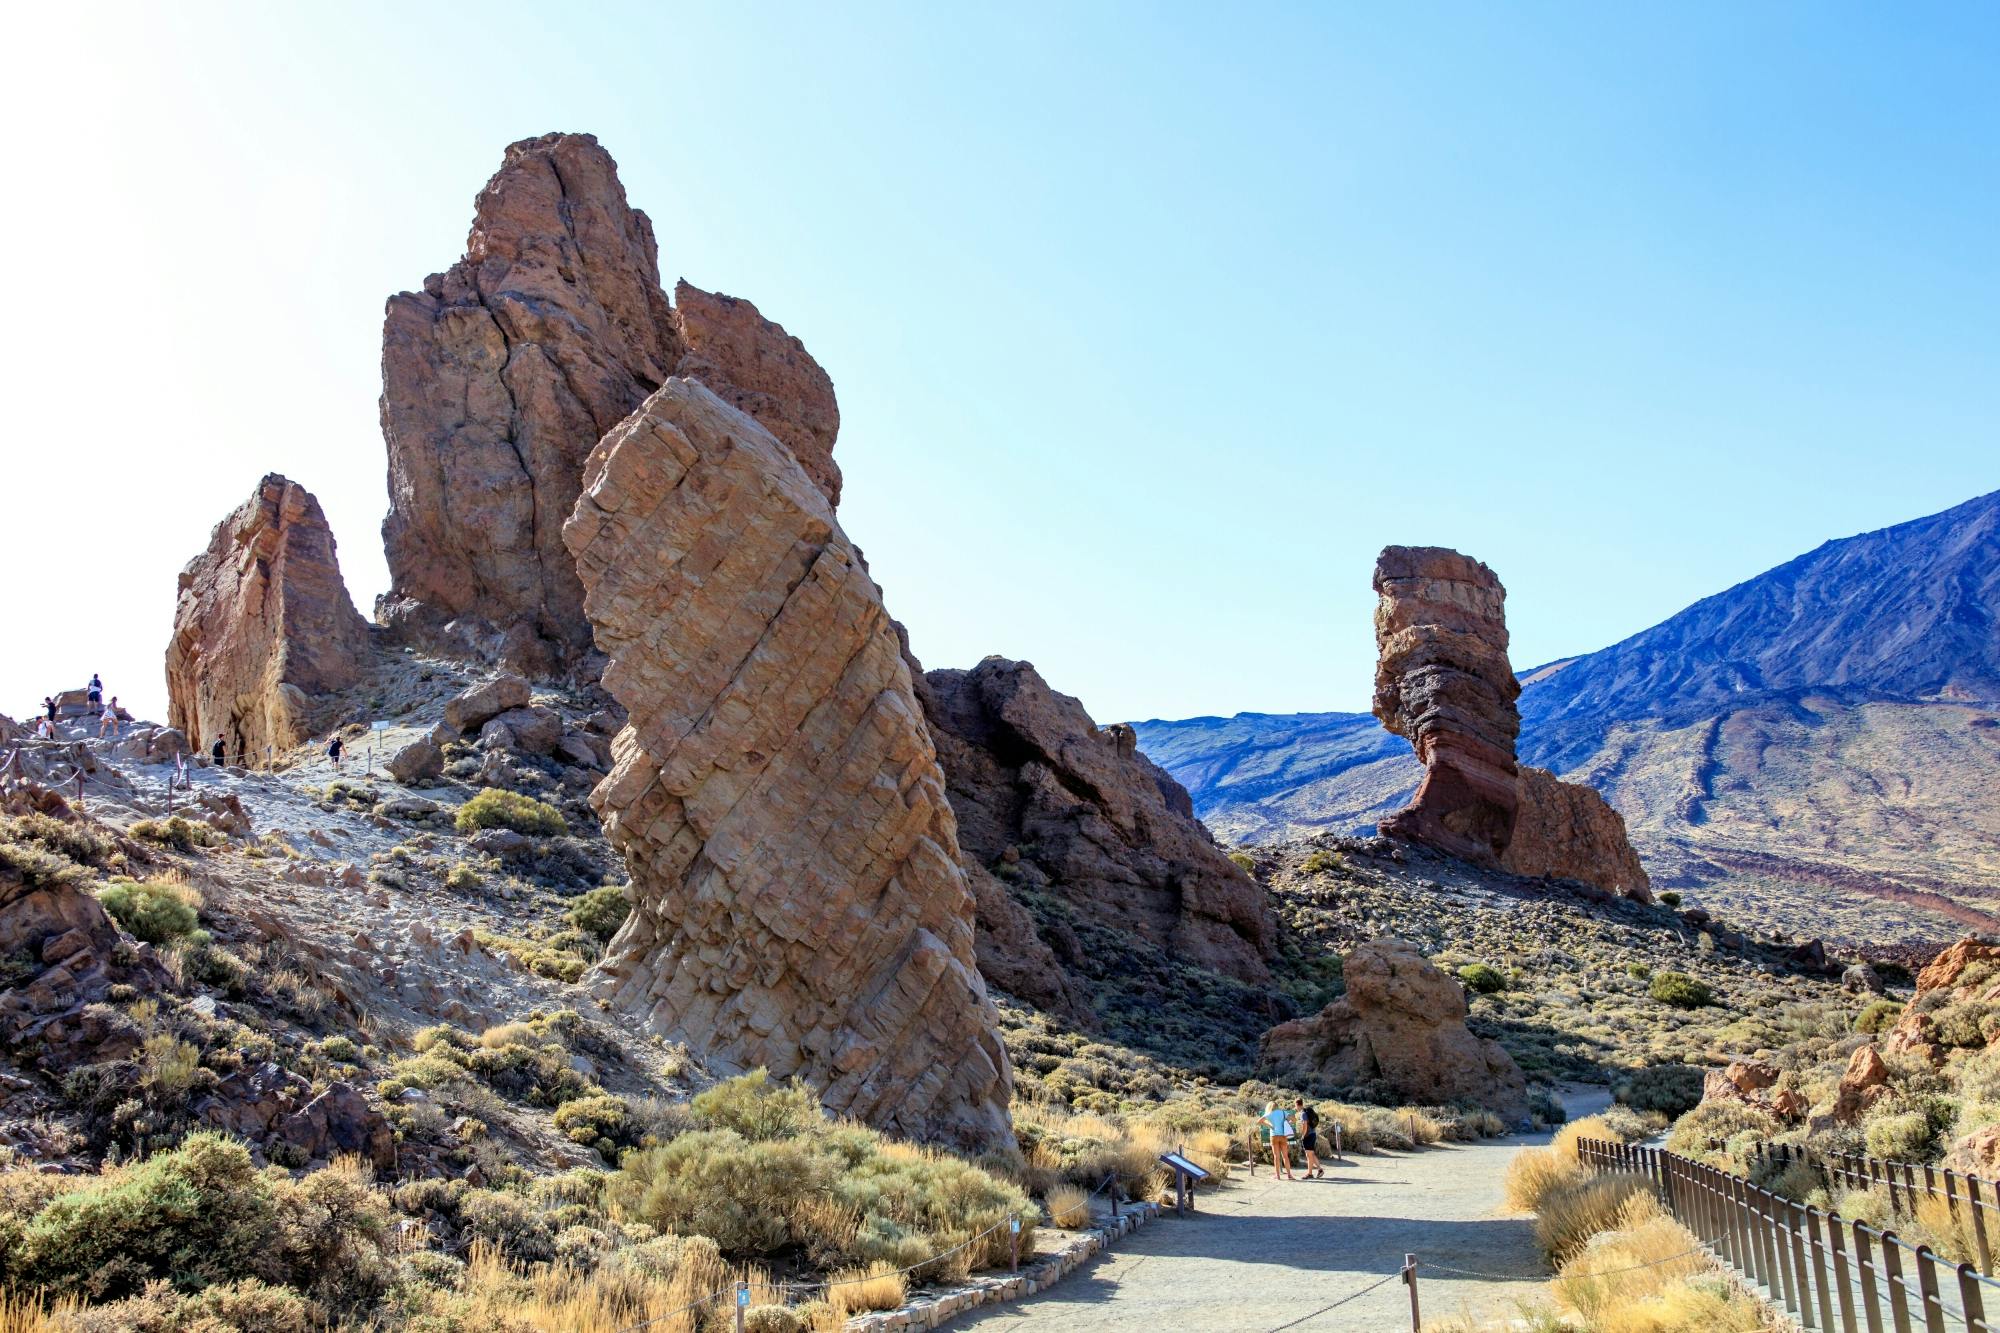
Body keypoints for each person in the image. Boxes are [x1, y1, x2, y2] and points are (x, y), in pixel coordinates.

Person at [1262, 1102, 1297, 1181]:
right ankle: (1289, 1175)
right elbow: (1294, 1120)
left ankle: (1277, 1176)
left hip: (1274, 1136)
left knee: (1276, 1157)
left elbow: (1259, 1121)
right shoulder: (1283, 1112)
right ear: (1277, 1106)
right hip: (1283, 1136)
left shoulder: (1269, 1114)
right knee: (1285, 1156)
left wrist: (1269, 1125)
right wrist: (1288, 1123)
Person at [1294, 1097, 1323, 1179]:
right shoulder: (1307, 1111)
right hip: (1313, 1134)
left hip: (1308, 1136)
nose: (1295, 1108)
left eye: (1295, 1106)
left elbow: (1305, 1126)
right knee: (1311, 1154)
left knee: (1308, 1155)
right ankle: (1320, 1169)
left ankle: (1310, 1173)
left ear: (1297, 1104)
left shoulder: (1303, 1113)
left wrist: (1302, 1136)